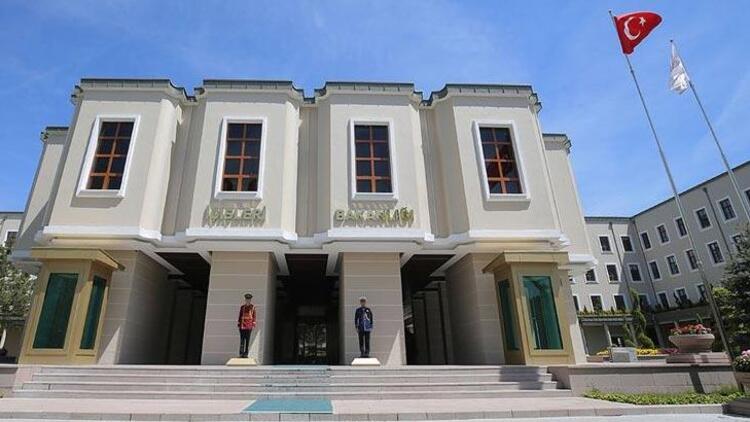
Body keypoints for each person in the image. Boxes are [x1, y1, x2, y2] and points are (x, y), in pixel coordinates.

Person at [237, 293, 256, 358]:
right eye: (247, 299)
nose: (248, 300)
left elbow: (254, 316)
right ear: (245, 300)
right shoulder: (242, 307)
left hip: (249, 326)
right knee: (242, 340)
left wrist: (253, 323)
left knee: (247, 340)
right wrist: (239, 323)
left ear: (250, 300)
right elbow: (240, 316)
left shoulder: (252, 307)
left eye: (249, 299)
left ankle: (246, 353)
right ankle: (241, 353)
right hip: (242, 325)